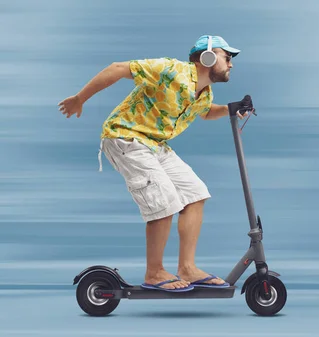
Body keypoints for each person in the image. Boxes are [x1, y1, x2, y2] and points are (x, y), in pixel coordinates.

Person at [58, 35, 247, 292]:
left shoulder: (204, 92)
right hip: (126, 138)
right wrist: (80, 98)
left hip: (155, 145)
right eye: (228, 58)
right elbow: (117, 69)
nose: (231, 64)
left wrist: (229, 108)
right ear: (208, 57)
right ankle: (155, 272)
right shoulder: (169, 69)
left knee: (195, 193)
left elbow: (204, 112)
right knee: (164, 198)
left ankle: (187, 268)